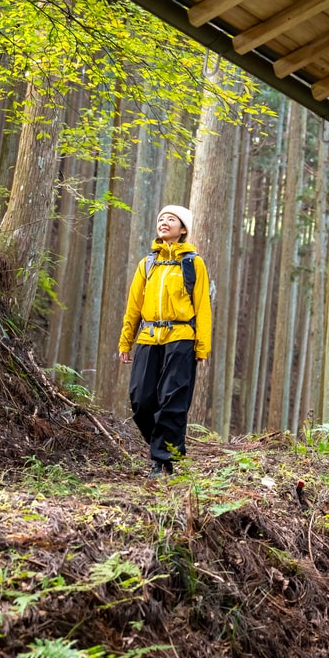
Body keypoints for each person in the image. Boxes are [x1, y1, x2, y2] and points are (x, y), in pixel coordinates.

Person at [118, 204, 211, 480]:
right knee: (140, 399)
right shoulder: (146, 264)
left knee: (172, 399)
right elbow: (133, 306)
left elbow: (202, 306)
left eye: (171, 219)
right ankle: (162, 445)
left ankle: (162, 461)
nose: (164, 222)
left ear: (183, 229)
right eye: (161, 219)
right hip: (148, 336)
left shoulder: (193, 263)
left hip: (181, 337)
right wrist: (126, 341)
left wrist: (202, 346)